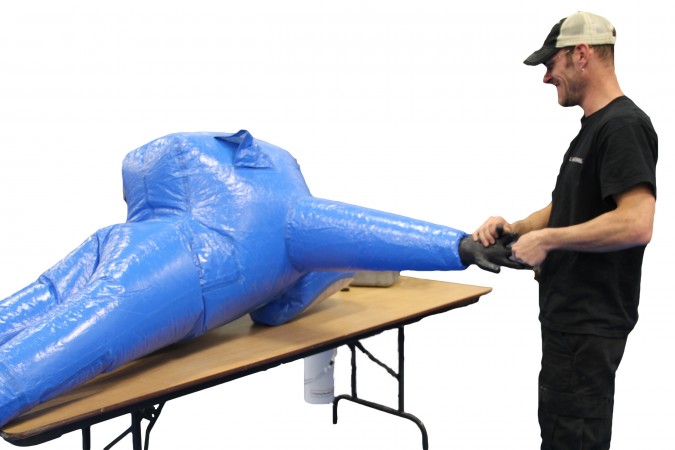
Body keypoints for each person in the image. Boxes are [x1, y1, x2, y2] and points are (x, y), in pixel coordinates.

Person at [472, 12, 658, 449]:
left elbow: (637, 222)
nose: (545, 77)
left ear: (581, 54)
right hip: (569, 324)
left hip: (587, 328)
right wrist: (517, 227)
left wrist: (549, 239)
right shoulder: (595, 128)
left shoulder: (623, 126)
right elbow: (569, 204)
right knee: (559, 433)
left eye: (550, 64)